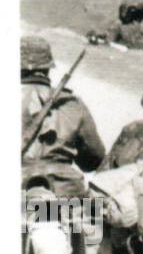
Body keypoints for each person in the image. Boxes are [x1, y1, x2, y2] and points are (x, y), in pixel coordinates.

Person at [21, 35, 105, 187]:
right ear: (47, 68)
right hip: (66, 195)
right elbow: (93, 161)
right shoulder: (73, 103)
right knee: (96, 209)